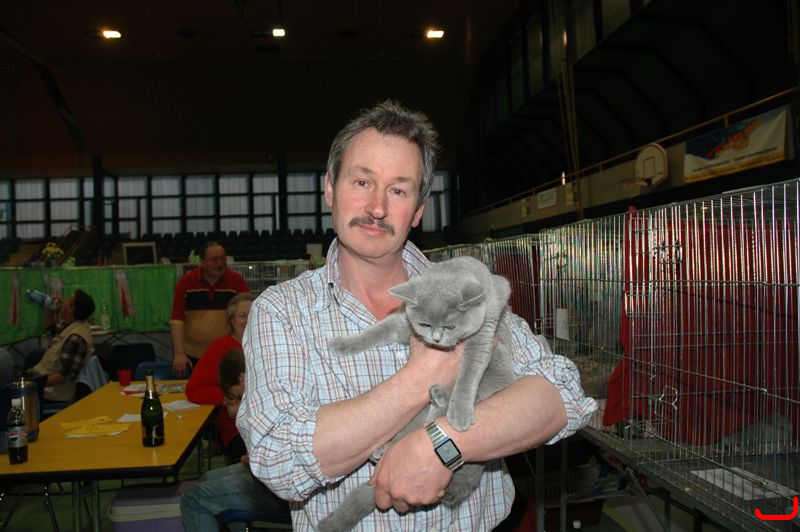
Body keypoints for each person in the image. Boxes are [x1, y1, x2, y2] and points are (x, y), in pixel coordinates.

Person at [237, 100, 597, 530]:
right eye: (362, 182)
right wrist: (419, 376)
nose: (377, 207)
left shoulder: (465, 289)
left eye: (398, 190)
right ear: (330, 188)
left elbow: (561, 391)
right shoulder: (281, 311)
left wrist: (444, 443)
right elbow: (276, 457)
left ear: (419, 210)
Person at [180, 348, 287, 532]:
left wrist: (246, 459)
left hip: (280, 489)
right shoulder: (272, 389)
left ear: (242, 378)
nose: (237, 398)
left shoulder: (262, 403)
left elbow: (260, 462)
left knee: (192, 499)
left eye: (234, 393)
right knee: (206, 478)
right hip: (278, 478)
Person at [185, 291, 255, 461]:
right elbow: (194, 390)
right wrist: (231, 398)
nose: (248, 320)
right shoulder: (220, 346)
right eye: (242, 316)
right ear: (232, 320)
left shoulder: (273, 344)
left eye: (253, 314)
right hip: (236, 429)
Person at [170, 240, 250, 376]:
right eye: (214, 260)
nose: (220, 264)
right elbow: (177, 320)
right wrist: (179, 353)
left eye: (222, 258)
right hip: (193, 355)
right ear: (202, 262)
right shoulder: (186, 282)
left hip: (229, 354)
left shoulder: (237, 280)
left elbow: (249, 315)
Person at [28, 289, 96, 402]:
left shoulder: (75, 338)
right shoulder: (72, 326)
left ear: (71, 309)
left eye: (67, 300)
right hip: (42, 384)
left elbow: (64, 376)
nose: (62, 301)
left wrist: (33, 384)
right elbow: (50, 329)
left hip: (50, 394)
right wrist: (49, 308)